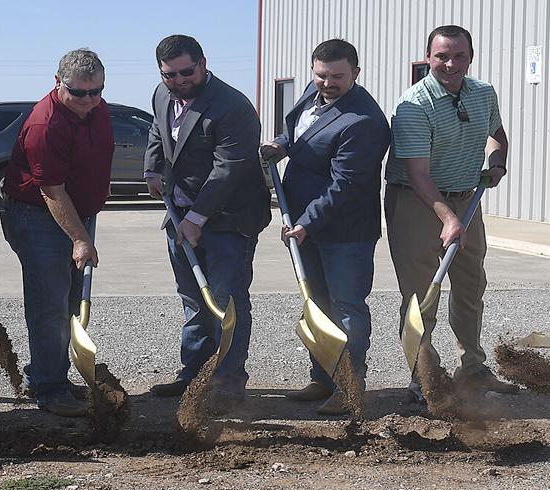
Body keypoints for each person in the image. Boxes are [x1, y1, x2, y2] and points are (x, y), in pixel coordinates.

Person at [260, 39, 391, 416]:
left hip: (344, 230)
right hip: (303, 222)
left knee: (347, 305)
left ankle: (351, 386)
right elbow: (304, 133)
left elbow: (344, 185)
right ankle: (323, 378)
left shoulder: (364, 122)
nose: (328, 83)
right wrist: (282, 145)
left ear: (356, 73)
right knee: (316, 303)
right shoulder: (313, 92)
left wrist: (305, 223)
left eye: (337, 77)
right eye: (321, 75)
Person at [385, 24, 514, 402]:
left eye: (459, 56)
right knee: (421, 291)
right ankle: (423, 375)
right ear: (428, 58)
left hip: (465, 198)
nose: (450, 64)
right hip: (416, 201)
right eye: (441, 56)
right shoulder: (414, 105)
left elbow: (498, 135)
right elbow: (418, 173)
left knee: (471, 285)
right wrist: (448, 218)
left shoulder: (482, 93)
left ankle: (473, 368)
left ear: (470, 57)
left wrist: (497, 162)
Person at [144, 34, 271, 412]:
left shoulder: (232, 106)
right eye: (170, 74)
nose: (179, 80)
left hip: (230, 220)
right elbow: (157, 130)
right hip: (181, 214)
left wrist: (197, 218)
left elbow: (227, 169)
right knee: (193, 300)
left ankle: (228, 381)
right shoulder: (162, 94)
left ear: (203, 63)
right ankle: (195, 374)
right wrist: (152, 169)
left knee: (227, 300)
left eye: (187, 71)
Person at [0, 48, 115, 417]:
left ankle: (47, 374)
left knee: (70, 301)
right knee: (50, 303)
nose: (88, 100)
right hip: (38, 217)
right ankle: (50, 389)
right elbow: (51, 190)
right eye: (78, 92)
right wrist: (80, 238)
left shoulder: (98, 109)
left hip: (77, 214)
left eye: (95, 91)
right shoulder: (44, 124)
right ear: (57, 82)